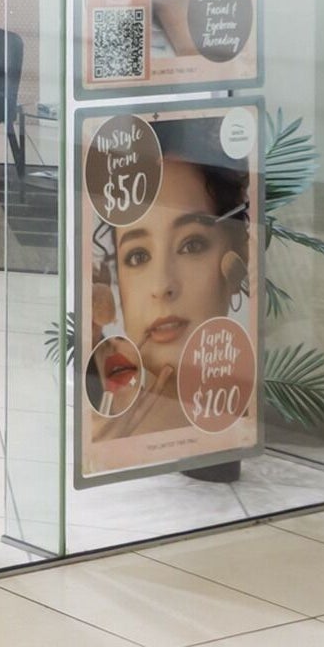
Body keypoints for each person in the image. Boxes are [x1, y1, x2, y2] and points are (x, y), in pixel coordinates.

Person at [95, 152, 248, 440]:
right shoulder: (96, 428)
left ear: (237, 258)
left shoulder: (251, 428)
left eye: (191, 245)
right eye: (138, 256)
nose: (162, 285)